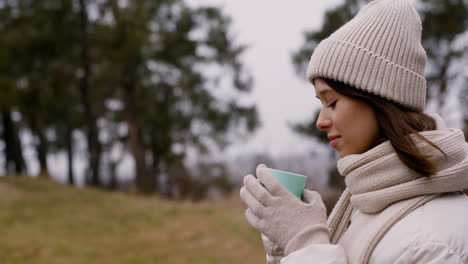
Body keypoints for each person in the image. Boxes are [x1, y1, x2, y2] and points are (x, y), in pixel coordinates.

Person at [239, 0, 468, 263]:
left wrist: (305, 243)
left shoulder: (430, 241)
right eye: (321, 103)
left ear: (379, 99)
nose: (321, 122)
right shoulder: (368, 201)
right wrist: (285, 243)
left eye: (332, 102)